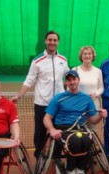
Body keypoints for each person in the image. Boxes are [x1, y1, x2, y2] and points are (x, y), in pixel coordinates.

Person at [11, 30, 69, 159]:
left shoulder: (63, 60)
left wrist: (68, 94)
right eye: (50, 40)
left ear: (58, 42)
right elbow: (29, 80)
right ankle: (39, 154)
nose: (52, 42)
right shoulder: (37, 61)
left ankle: (56, 154)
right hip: (42, 103)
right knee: (40, 132)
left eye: (55, 40)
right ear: (45, 41)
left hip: (60, 103)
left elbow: (68, 77)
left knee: (60, 129)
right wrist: (19, 95)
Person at [43, 70, 107, 174]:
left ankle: (80, 169)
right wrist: (52, 130)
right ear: (66, 82)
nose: (72, 82)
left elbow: (93, 119)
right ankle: (71, 169)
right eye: (69, 80)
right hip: (63, 128)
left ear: (78, 80)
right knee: (75, 142)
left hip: (80, 128)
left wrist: (101, 116)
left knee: (87, 140)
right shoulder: (58, 98)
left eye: (74, 79)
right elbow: (47, 118)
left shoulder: (86, 99)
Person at [72, 46, 104, 129]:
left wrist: (96, 94)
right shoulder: (75, 70)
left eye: (89, 53)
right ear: (81, 56)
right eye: (84, 54)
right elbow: (69, 89)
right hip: (78, 106)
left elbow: (101, 88)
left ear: (93, 56)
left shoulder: (98, 71)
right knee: (77, 130)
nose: (87, 56)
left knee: (91, 131)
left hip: (93, 106)